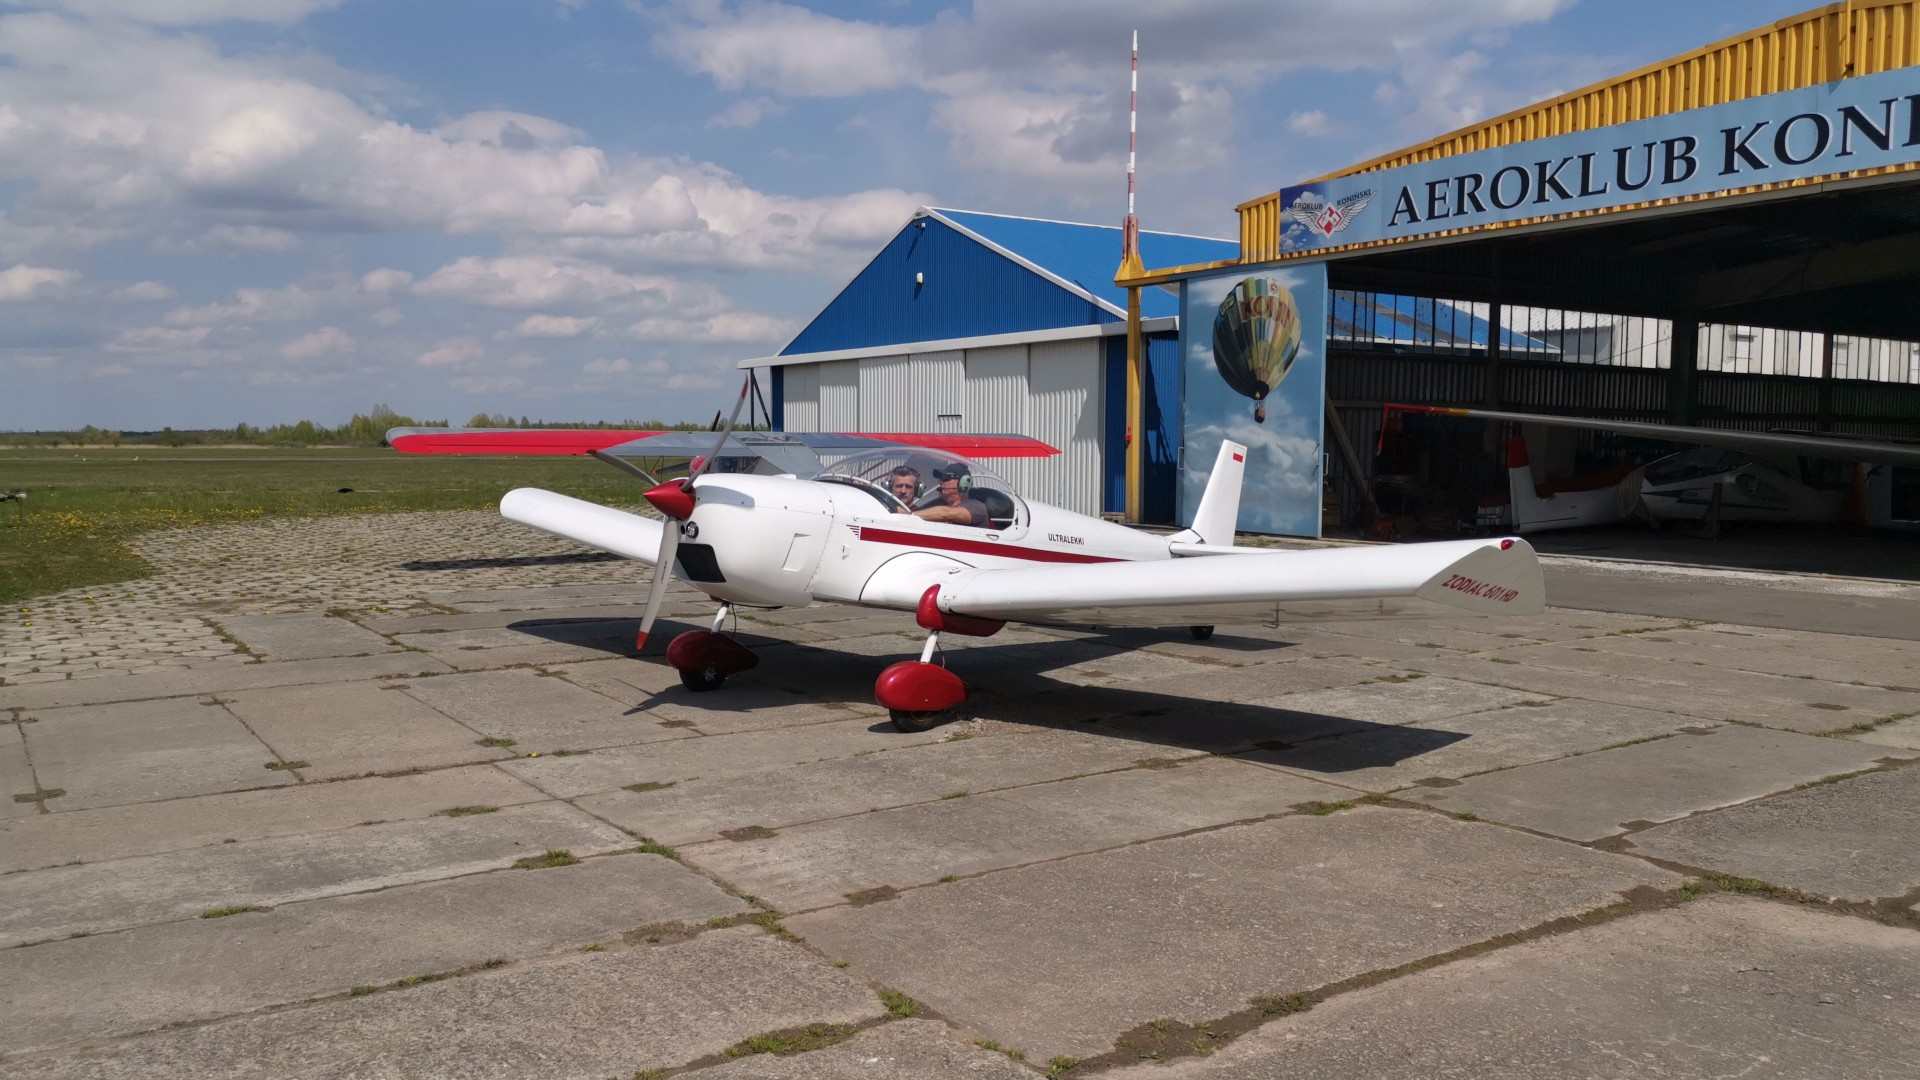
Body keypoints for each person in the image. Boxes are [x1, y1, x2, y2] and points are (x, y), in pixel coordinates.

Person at [904, 465, 989, 527]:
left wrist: (908, 515)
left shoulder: (977, 507)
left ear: (963, 482)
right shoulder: (936, 505)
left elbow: (946, 513)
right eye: (940, 478)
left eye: (945, 477)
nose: (940, 482)